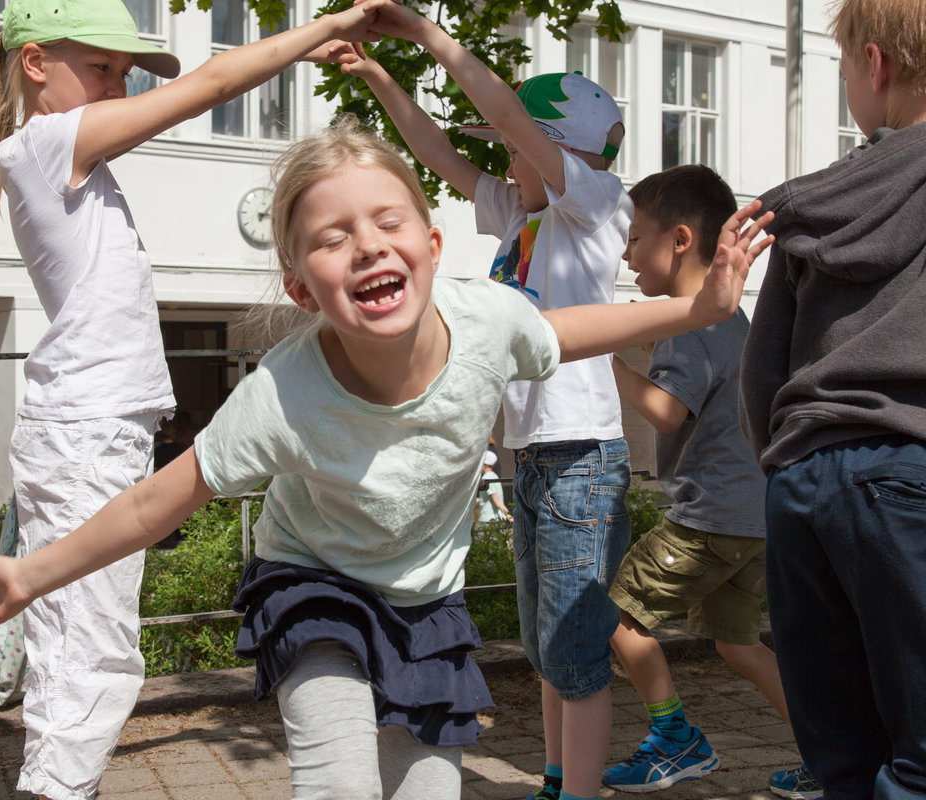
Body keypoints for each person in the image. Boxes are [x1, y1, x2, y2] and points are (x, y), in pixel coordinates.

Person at [0, 115, 772, 800]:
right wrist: (34, 574)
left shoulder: (487, 321)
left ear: (431, 241)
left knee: (427, 787)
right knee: (341, 777)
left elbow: (569, 331)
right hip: (314, 584)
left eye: (388, 223)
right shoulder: (282, 396)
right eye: (334, 238)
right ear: (302, 288)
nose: (369, 248)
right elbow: (152, 502)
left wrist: (693, 307)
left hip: (424, 598)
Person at [0, 2, 393, 798]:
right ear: (34, 65)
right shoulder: (51, 143)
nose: (118, 86)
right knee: (94, 650)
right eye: (102, 68)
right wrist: (317, 29)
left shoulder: (63, 160)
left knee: (78, 643)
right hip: (86, 430)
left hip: (94, 426)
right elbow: (215, 80)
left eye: (123, 73)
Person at [318, 8, 634, 799]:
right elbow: (436, 152)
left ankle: (580, 795)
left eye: (516, 148)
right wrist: (380, 79)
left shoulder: (591, 209)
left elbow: (501, 118)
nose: (502, 162)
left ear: (557, 148)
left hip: (580, 455)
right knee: (545, 647)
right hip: (533, 453)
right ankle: (558, 782)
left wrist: (429, 38)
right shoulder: (521, 218)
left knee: (576, 650)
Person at [738, 1, 926, 797]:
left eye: (844, 69)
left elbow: (763, 365)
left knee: (839, 756)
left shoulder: (813, 203)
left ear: (875, 66)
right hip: (911, 469)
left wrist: (781, 466)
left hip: (802, 478)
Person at [602, 165, 818, 798]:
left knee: (615, 616)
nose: (626, 251)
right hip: (753, 514)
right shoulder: (727, 320)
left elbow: (669, 410)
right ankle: (827, 754)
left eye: (636, 237)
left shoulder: (687, 323)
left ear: (678, 240)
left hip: (709, 518)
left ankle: (677, 740)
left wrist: (610, 364)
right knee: (738, 644)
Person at [477, 451, 512, 525]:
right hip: (496, 519)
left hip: (488, 520)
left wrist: (509, 517)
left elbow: (496, 501)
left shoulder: (486, 478)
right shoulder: (494, 476)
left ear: (485, 465)